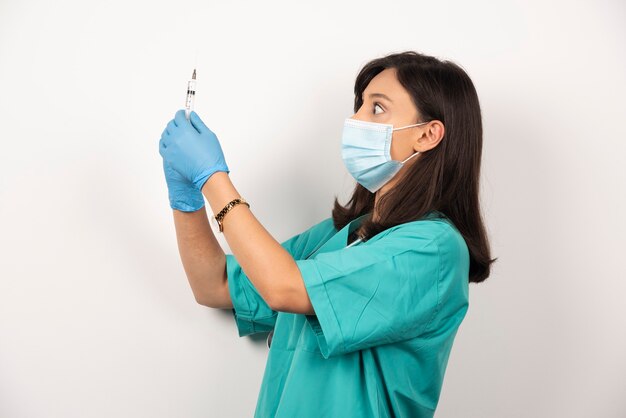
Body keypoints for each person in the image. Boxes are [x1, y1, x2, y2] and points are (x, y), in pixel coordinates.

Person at [158, 50, 496, 418]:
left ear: (428, 135)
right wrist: (186, 198)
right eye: (359, 106)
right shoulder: (341, 235)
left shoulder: (434, 249)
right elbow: (215, 284)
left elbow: (284, 287)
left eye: (377, 108)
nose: (355, 120)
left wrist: (212, 178)